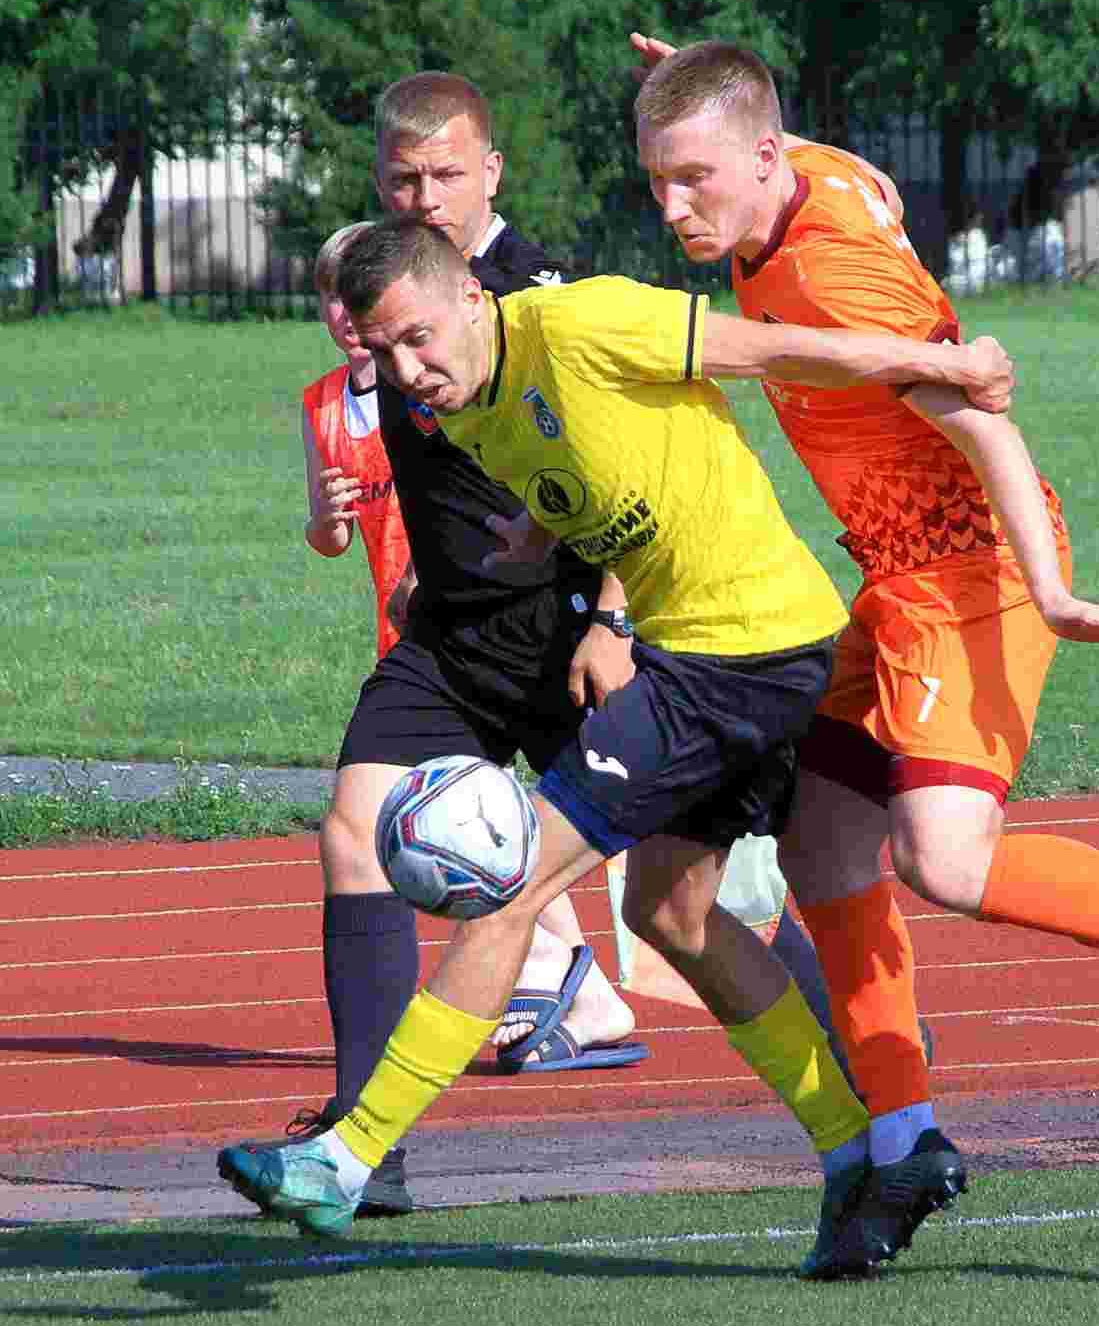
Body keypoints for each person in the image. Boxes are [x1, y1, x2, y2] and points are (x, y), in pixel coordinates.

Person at [629, 36, 1099, 1277]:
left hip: (972, 567)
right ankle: (902, 1141)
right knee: (821, 849)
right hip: (894, 573)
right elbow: (795, 143)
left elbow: (982, 415)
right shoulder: (807, 182)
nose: (674, 208)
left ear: (763, 158)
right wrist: (702, 77)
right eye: (658, 180)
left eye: (693, 180)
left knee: (939, 860)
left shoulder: (839, 285)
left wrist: (1048, 591)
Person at [217, 214, 1015, 1251]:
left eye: (417, 336)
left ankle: (348, 1153)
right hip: (723, 654)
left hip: (739, 652)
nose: (407, 369)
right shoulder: (466, 413)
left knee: (515, 887)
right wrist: (531, 533)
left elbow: (773, 348)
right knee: (669, 912)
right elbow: (593, 465)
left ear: (471, 296)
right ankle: (858, 1152)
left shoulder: (585, 323)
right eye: (382, 352)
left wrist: (941, 360)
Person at [254, 75, 652, 1222]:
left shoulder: (541, 296)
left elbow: (631, 469)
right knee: (353, 828)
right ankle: (358, 1146)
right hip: (454, 643)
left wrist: (617, 618)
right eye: (400, 177)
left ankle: (880, 1077)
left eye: (443, 174)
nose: (421, 195)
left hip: (577, 636)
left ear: (491, 173)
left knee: (698, 882)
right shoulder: (385, 294)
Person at [302, 222, 413, 662]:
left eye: (360, 293)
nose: (348, 311)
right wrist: (326, 518)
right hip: (396, 618)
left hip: (459, 605)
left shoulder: (425, 387)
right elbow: (332, 540)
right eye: (334, 296)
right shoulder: (322, 404)